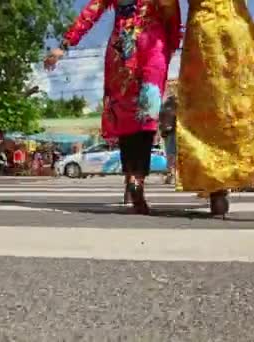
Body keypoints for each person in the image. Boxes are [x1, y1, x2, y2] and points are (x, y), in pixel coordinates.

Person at [44, 0, 182, 214]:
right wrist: (171, 43)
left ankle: (133, 179)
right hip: (149, 47)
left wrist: (64, 45)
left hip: (125, 49)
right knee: (142, 115)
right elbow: (171, 14)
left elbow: (92, 10)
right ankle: (136, 179)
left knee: (133, 117)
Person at [176, 0, 254, 216]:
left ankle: (217, 187)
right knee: (243, 105)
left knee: (207, 109)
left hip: (202, 33)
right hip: (237, 30)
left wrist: (169, 31)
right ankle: (245, 169)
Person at [159, 95, 177, 184]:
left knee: (170, 154)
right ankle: (171, 175)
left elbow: (161, 118)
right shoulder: (169, 104)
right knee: (172, 154)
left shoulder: (166, 104)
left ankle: (171, 175)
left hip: (170, 131)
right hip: (173, 131)